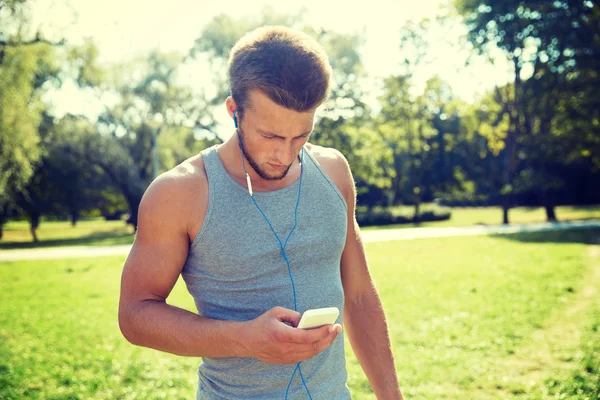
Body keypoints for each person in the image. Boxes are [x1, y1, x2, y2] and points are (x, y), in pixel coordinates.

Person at [118, 25, 404, 400]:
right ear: (234, 111)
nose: (285, 155)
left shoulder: (334, 171)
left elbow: (360, 295)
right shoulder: (179, 193)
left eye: (300, 136)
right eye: (270, 136)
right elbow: (136, 315)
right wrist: (243, 340)